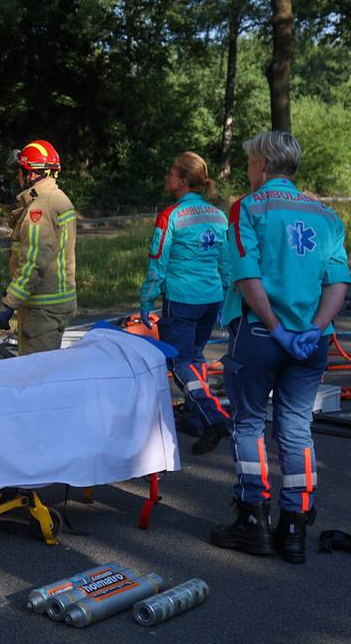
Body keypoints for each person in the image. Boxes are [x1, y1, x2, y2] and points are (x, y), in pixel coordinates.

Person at [210, 131, 349, 565]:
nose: (249, 169)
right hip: (311, 342)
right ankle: (294, 524)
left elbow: (247, 277)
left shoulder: (250, 208)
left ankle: (253, 519)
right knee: (296, 428)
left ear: (263, 164)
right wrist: (314, 329)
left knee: (249, 424)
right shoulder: (326, 215)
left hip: (260, 336)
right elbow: (338, 283)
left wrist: (276, 328)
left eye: (250, 162)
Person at [137, 152, 231, 454]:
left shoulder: (171, 215)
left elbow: (158, 263)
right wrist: (226, 299)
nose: (167, 177)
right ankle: (194, 417)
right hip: (211, 299)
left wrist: (146, 300)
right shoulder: (218, 216)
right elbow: (226, 263)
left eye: (171, 173)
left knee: (178, 361)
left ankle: (212, 415)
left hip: (181, 299)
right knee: (195, 356)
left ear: (183, 180)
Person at [0, 139, 77, 354]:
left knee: (38, 371)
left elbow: (33, 262)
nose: (17, 176)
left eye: (19, 171)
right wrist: (9, 205)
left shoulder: (39, 208)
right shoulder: (56, 199)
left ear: (31, 174)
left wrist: (9, 303)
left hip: (42, 308)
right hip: (56, 302)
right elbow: (25, 231)